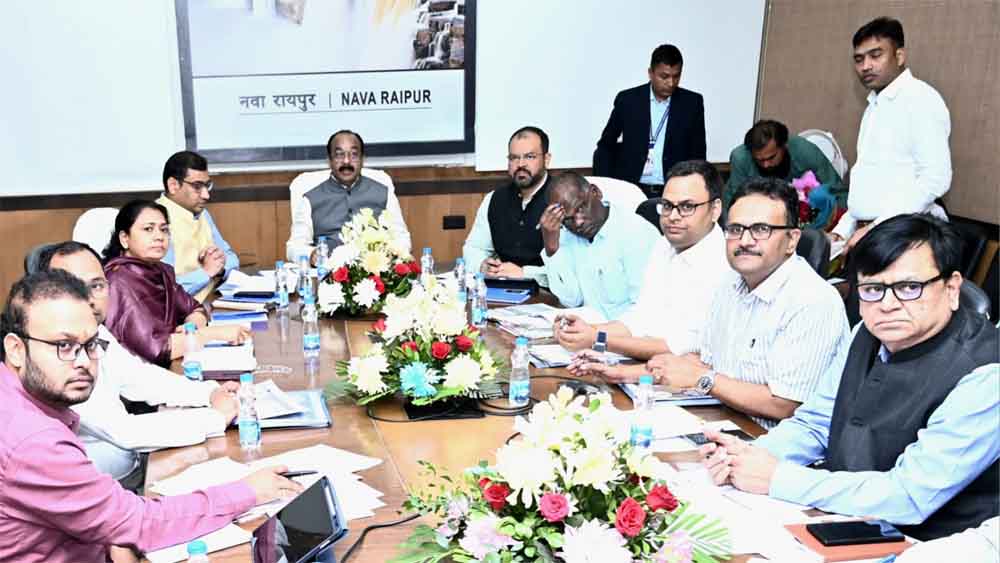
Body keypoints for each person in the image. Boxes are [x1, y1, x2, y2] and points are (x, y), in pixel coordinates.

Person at [700, 214, 999, 541]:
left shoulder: (986, 372)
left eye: (909, 288)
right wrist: (746, 457)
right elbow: (816, 423)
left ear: (952, 288)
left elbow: (909, 496)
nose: (887, 305)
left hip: (931, 544)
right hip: (842, 517)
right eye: (872, 289)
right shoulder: (866, 333)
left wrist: (776, 478)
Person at [0, 269, 302, 563]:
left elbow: (107, 518)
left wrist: (112, 534)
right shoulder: (33, 441)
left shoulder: (19, 399)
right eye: (64, 346)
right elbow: (139, 523)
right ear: (15, 349)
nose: (83, 361)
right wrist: (247, 492)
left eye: (90, 345)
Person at [647, 178, 849, 429]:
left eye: (761, 229)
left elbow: (785, 405)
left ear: (792, 240)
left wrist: (702, 379)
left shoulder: (812, 300)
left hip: (773, 440)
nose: (744, 241)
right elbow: (708, 362)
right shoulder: (729, 283)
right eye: (735, 229)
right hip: (723, 421)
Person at [34, 241, 239, 482]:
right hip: (101, 489)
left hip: (132, 468)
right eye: (72, 287)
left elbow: (139, 378)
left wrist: (209, 393)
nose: (89, 298)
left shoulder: (95, 330)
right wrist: (215, 418)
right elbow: (123, 431)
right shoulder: (51, 354)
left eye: (97, 285)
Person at [556, 161, 731, 382]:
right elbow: (640, 319)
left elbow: (678, 347)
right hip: (650, 369)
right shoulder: (664, 245)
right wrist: (583, 331)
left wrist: (597, 338)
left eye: (687, 207)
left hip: (693, 384)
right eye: (667, 205)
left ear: (715, 210)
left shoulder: (724, 263)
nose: (673, 216)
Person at [831, 17, 951, 251]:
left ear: (899, 56)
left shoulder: (920, 99)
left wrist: (875, 227)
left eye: (875, 55)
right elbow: (868, 184)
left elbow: (935, 179)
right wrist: (841, 231)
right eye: (859, 59)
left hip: (904, 238)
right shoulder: (874, 105)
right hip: (872, 233)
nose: (866, 66)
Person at [102, 200, 248, 367]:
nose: (159, 236)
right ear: (124, 238)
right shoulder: (119, 282)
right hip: (140, 374)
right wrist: (211, 334)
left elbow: (194, 308)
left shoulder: (161, 270)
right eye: (148, 229)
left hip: (173, 362)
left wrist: (191, 328)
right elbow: (159, 349)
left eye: (164, 230)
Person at [539, 171, 659, 321]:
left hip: (625, 331)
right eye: (568, 219)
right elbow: (570, 301)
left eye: (581, 207)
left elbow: (645, 311)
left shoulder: (636, 232)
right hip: (587, 328)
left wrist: (598, 332)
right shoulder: (566, 235)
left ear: (596, 192)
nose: (578, 222)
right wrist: (551, 247)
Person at [593, 44, 706, 197]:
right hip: (632, 189)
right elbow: (605, 146)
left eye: (676, 76)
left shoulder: (692, 104)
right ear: (650, 73)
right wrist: (605, 187)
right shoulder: (628, 101)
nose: (671, 83)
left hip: (673, 192)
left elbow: (698, 155)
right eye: (664, 77)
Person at [286, 129, 410, 263]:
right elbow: (294, 247)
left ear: (362, 159)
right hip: (329, 270)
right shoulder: (310, 198)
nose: (346, 161)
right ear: (329, 160)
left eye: (354, 155)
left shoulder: (384, 192)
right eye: (339, 155)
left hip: (374, 270)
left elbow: (402, 238)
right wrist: (312, 255)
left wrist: (393, 254)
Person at [462, 126, 554, 282]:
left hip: (550, 292)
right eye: (514, 158)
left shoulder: (563, 199)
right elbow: (474, 248)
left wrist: (525, 273)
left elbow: (571, 271)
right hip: (500, 288)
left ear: (546, 159)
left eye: (530, 157)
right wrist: (482, 265)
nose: (521, 164)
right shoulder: (494, 199)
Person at [156, 151, 239, 301]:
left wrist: (219, 268)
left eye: (207, 185)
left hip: (213, 300)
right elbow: (163, 289)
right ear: (173, 185)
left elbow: (232, 259)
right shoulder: (155, 221)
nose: (206, 195)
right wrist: (206, 272)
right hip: (180, 311)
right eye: (197, 186)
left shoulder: (203, 213)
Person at [725, 119, 846, 211]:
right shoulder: (740, 158)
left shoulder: (805, 151)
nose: (766, 165)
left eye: (771, 157)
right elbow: (739, 202)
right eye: (759, 160)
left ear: (784, 146)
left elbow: (837, 191)